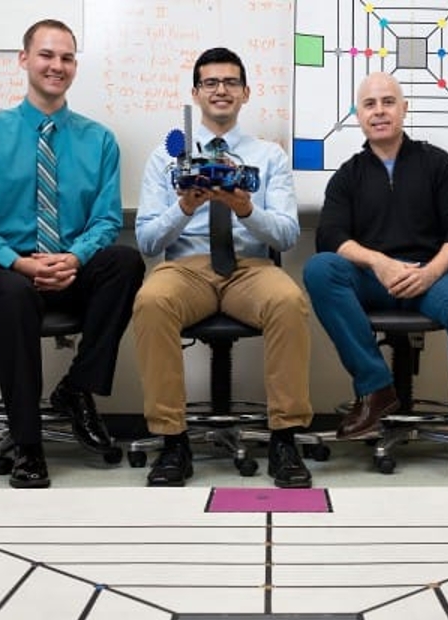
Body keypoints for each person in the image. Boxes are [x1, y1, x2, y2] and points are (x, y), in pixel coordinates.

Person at [0, 19, 145, 489]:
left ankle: (77, 389)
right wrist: (18, 262)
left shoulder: (98, 139)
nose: (57, 66)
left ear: (75, 66)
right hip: (2, 269)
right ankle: (29, 445)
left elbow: (106, 220)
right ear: (24, 60)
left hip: (69, 267)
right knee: (14, 295)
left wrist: (73, 259)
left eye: (67, 57)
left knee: (126, 261)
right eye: (47, 55)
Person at [303, 72, 448, 486]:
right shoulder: (348, 175)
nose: (379, 111)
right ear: (358, 115)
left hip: (432, 278)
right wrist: (378, 263)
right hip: (372, 279)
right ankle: (377, 389)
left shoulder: (437, 163)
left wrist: (430, 272)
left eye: (388, 102)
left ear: (404, 109)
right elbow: (330, 235)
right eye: (370, 104)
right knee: (319, 268)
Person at [132, 47, 314, 489]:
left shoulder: (269, 156)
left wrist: (247, 209)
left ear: (246, 93)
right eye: (211, 83)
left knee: (289, 301)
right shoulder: (166, 157)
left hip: (249, 267)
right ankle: (173, 441)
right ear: (196, 93)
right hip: (185, 268)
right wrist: (182, 207)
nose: (221, 90)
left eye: (231, 82)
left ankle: (285, 438)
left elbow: (288, 235)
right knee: (151, 302)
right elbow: (148, 240)